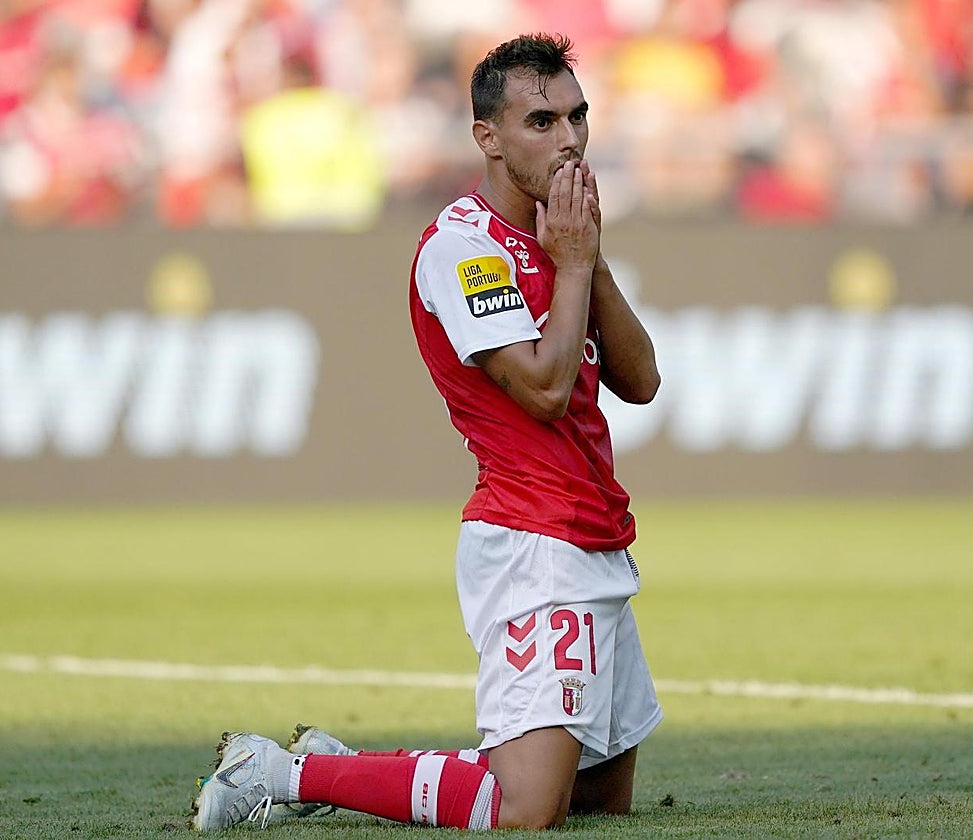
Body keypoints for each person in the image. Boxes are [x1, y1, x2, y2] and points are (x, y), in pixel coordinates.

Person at [189, 32, 663, 832]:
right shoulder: (463, 249)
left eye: (577, 117)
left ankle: (347, 763)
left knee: (597, 799)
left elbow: (641, 382)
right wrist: (575, 264)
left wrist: (591, 257)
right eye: (542, 121)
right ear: (488, 137)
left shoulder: (560, 237)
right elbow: (545, 390)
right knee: (524, 809)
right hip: (532, 541)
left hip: (596, 535)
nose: (570, 139)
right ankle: (279, 772)